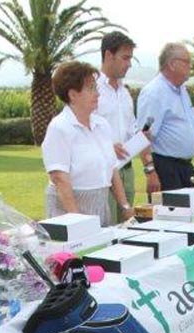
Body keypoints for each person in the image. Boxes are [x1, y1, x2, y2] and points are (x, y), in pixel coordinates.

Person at [42, 61, 133, 226]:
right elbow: (59, 178)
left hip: (100, 205)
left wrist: (125, 207)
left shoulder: (102, 125)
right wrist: (78, 221)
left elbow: (112, 169)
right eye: (91, 88)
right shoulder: (59, 127)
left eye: (96, 88)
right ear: (72, 95)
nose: (97, 94)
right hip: (68, 211)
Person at [97, 32, 158, 222]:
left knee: (126, 228)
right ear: (108, 55)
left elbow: (133, 132)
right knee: (105, 231)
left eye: (130, 58)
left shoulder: (124, 93)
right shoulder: (92, 89)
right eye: (125, 58)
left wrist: (149, 168)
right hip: (102, 172)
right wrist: (107, 147)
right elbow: (84, 132)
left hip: (127, 171)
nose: (129, 64)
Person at [136, 42, 194, 192]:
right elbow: (143, 136)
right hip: (166, 169)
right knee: (172, 214)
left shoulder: (181, 90)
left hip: (185, 169)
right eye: (187, 62)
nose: (191, 66)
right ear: (172, 64)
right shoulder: (154, 93)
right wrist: (150, 172)